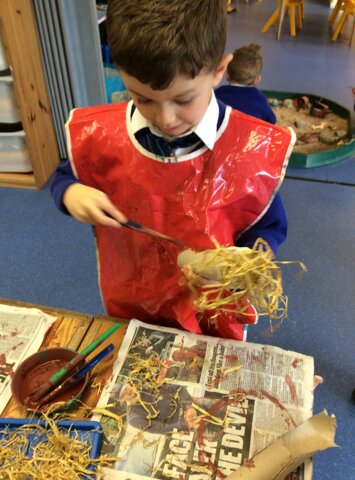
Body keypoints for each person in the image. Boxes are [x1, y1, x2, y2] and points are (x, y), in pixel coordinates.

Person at [50, 0, 295, 341]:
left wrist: (247, 261)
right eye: (143, 99)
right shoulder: (105, 136)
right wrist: (71, 193)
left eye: (183, 100)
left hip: (210, 305)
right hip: (134, 296)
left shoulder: (248, 148)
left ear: (219, 71)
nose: (165, 119)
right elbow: (65, 176)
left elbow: (269, 226)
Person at [215, 44, 276, 124]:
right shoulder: (260, 99)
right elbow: (272, 120)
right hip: (248, 135)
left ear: (227, 74)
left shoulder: (217, 94)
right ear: (256, 80)